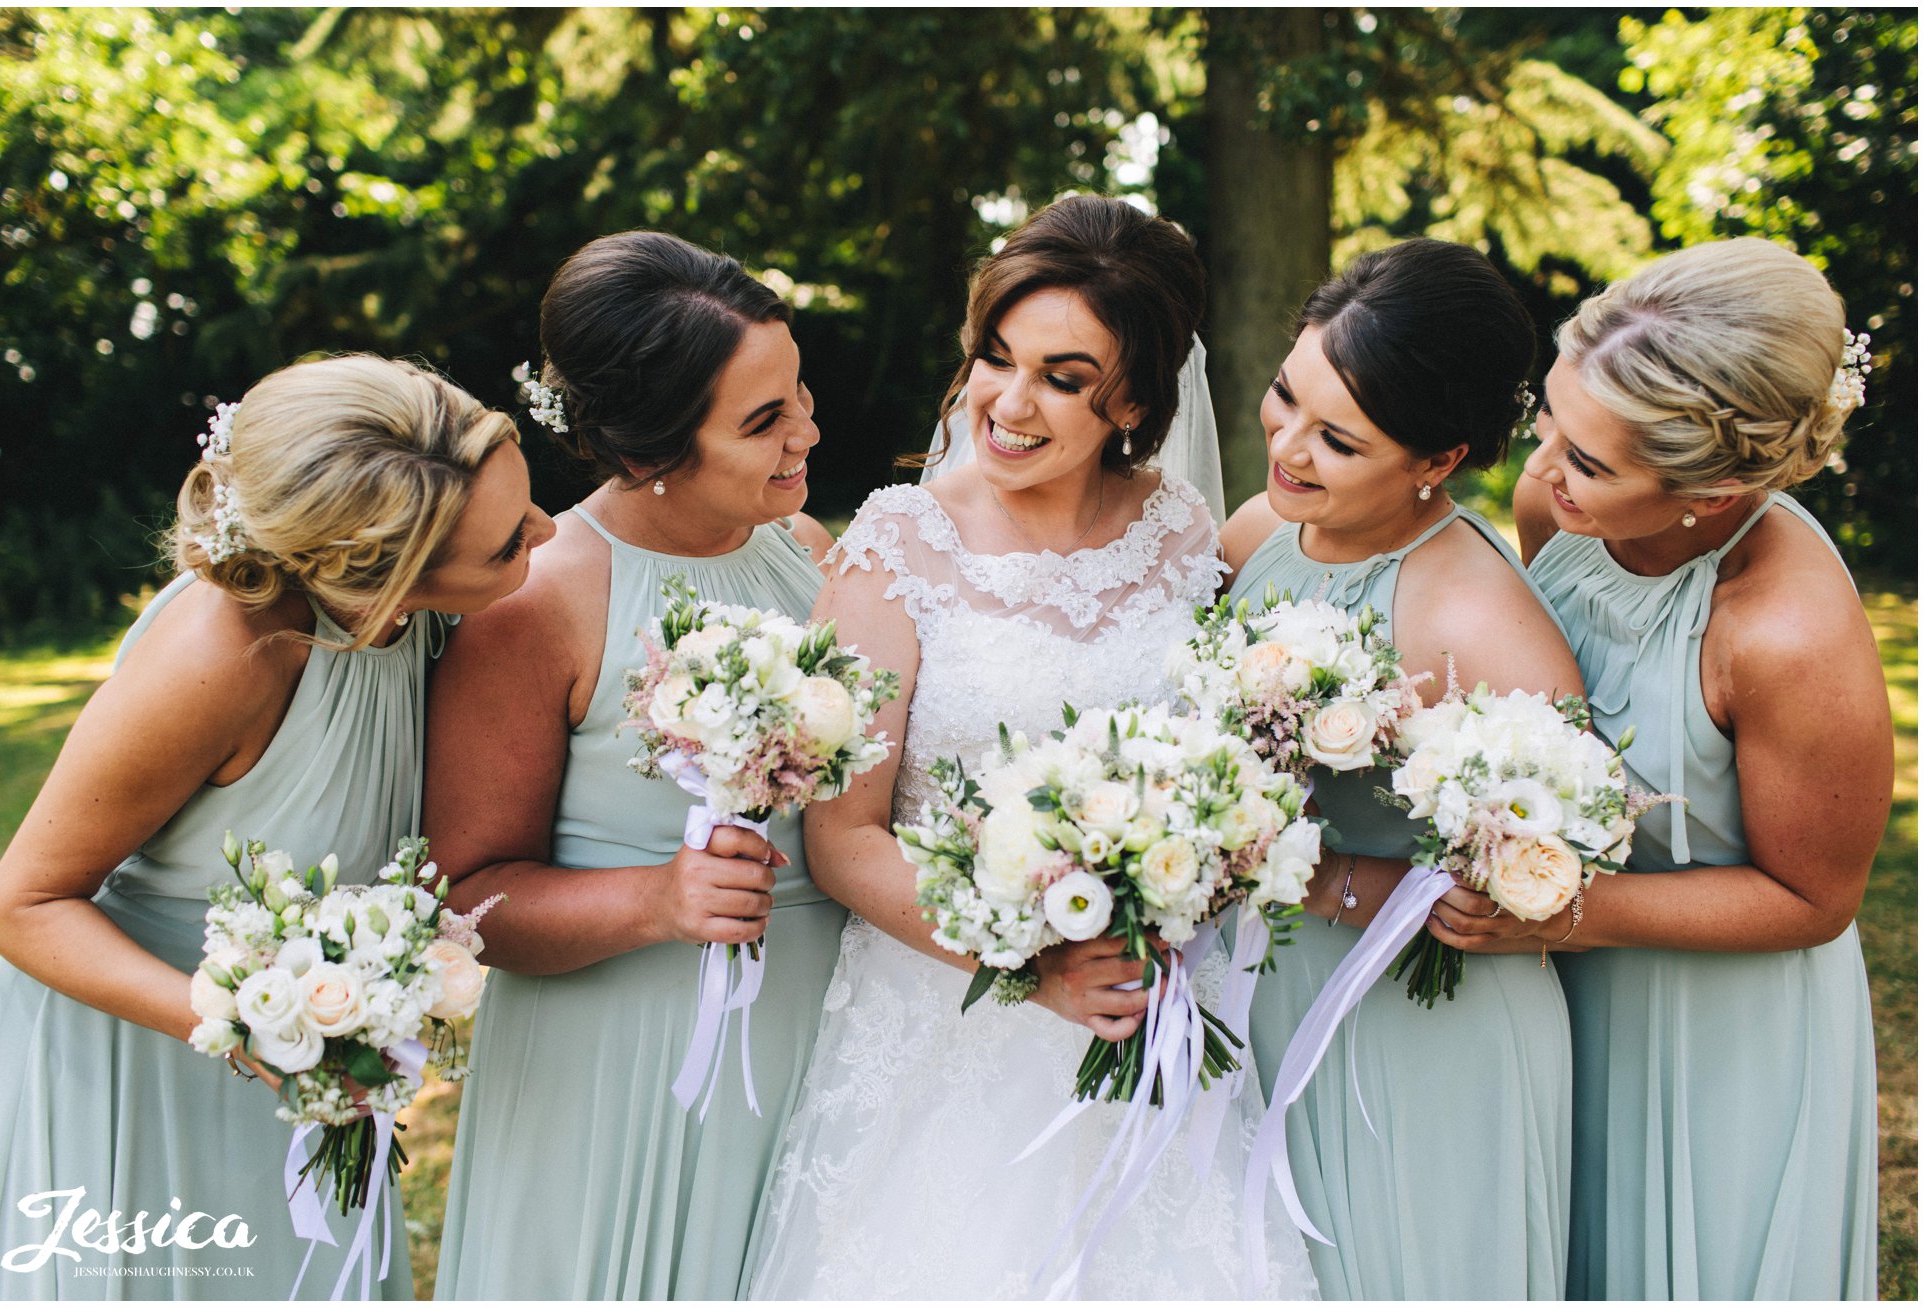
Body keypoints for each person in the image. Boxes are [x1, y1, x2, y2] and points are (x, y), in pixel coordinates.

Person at [747, 194, 1319, 1300]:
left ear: (1137, 401)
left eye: (1063, 378)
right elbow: (847, 838)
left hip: (1146, 1010)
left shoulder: (1184, 532)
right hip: (949, 1020)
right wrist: (1033, 965)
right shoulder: (895, 547)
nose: (1006, 404)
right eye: (995, 358)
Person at [0, 354, 551, 1298]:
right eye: (506, 547)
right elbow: (21, 904)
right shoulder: (226, 657)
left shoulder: (423, 625)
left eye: (527, 504)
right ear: (383, 574)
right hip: (138, 1055)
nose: (547, 530)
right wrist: (251, 1029)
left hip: (313, 1051)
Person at [1433, 236, 1886, 1299]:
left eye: (1589, 461)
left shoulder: (1784, 637)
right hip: (1553, 990)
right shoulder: (1557, 512)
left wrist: (1571, 915)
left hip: (1716, 1039)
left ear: (1716, 487)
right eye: (1549, 416)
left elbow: (1814, 899)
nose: (1540, 469)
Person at [427, 230, 842, 1300]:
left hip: (813, 1041)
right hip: (617, 1065)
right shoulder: (544, 598)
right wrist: (658, 900)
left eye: (797, 393)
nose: (805, 432)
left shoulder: (805, 554)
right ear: (650, 448)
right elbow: (468, 896)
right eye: (762, 421)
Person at [1219, 237, 1586, 1299]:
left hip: (1423, 1031)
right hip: (1267, 987)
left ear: (1436, 459)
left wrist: (1285, 866)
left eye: (1336, 437)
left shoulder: (1476, 618)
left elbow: (1541, 880)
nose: (1287, 446)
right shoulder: (1261, 534)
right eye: (1284, 396)